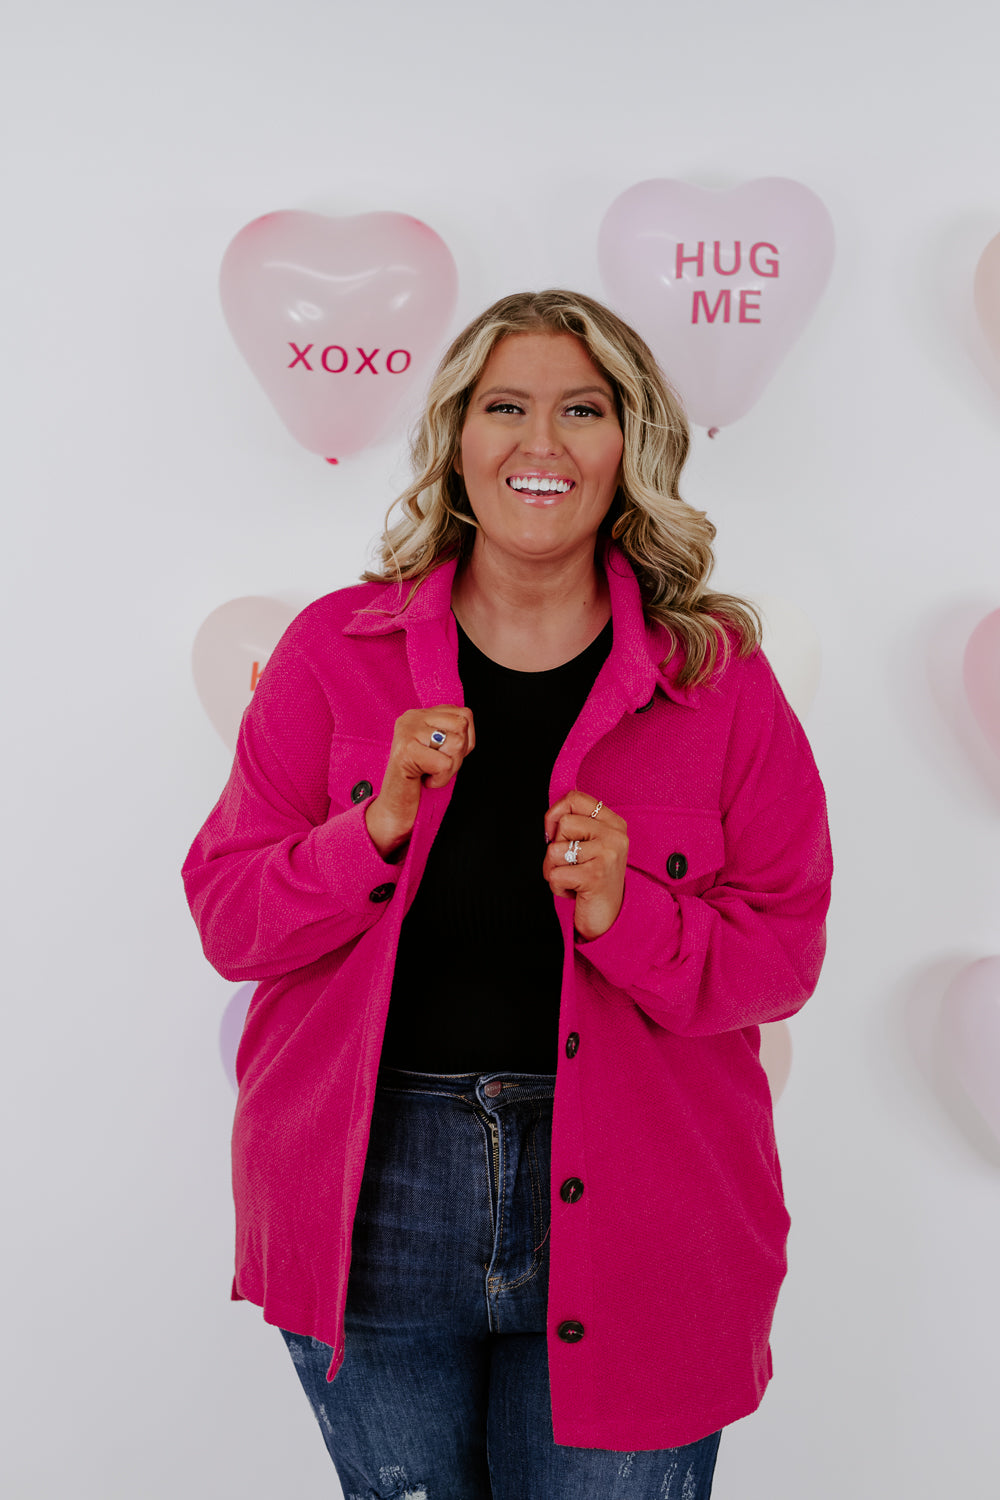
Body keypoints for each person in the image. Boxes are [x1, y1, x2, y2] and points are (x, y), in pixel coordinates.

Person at [183, 289, 832, 1500]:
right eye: (505, 408)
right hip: (375, 1195)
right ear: (456, 437)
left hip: (646, 1205)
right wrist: (373, 827)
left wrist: (628, 911)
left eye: (581, 410)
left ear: (629, 444)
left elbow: (782, 956)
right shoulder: (335, 650)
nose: (542, 443)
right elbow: (229, 918)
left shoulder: (719, 681)